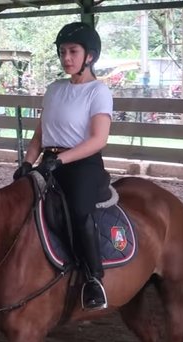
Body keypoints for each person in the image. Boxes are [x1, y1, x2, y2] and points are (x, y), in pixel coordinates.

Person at [13, 22, 113, 310]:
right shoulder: (54, 89)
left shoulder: (98, 92)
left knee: (80, 211)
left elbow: (98, 139)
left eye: (73, 51)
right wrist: (27, 163)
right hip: (48, 162)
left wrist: (58, 161)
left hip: (82, 164)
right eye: (62, 52)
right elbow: (39, 134)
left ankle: (94, 279)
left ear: (89, 56)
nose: (66, 58)